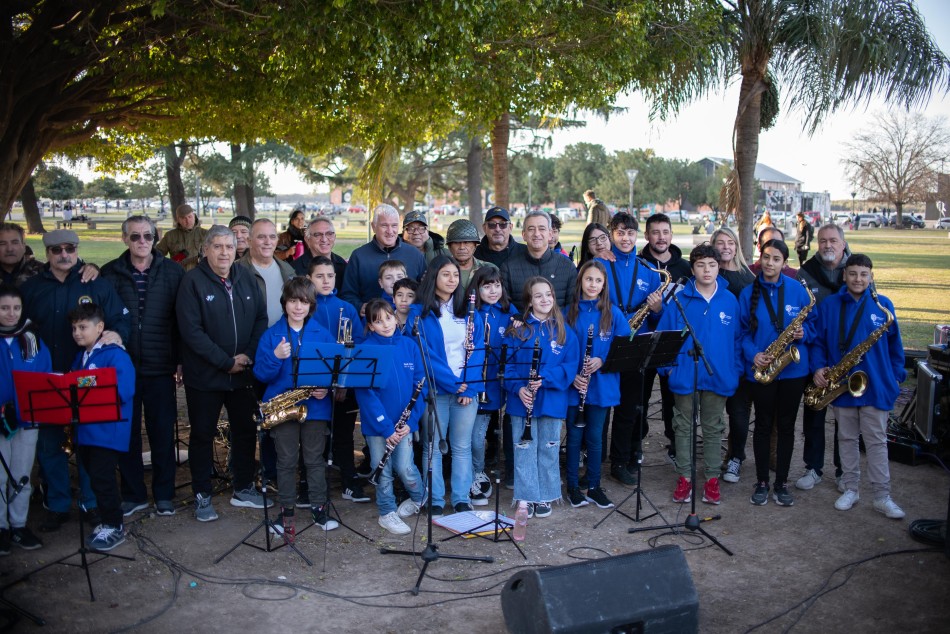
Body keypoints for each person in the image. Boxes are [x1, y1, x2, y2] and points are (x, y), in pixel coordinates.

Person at [21, 229, 130, 532]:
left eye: (70, 248)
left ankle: (91, 502)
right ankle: (57, 504)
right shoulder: (32, 288)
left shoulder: (94, 281)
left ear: (77, 249)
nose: (64, 254)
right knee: (50, 446)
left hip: (88, 377)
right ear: (48, 253)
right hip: (48, 378)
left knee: (88, 444)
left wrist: (115, 335)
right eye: (57, 250)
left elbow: (120, 318)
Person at [176, 225, 268, 521]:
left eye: (229, 246)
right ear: (206, 250)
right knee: (202, 434)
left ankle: (243, 487)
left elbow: (261, 319)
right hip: (206, 376)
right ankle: (203, 495)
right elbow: (191, 331)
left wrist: (249, 356)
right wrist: (225, 361)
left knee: (244, 431)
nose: (225, 252)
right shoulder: (192, 282)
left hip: (243, 374)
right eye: (217, 246)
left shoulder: (246, 277)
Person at [810, 254, 906, 519]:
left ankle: (882, 496)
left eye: (864, 274)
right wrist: (818, 367)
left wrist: (896, 377)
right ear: (844, 275)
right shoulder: (829, 305)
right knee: (847, 439)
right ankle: (851, 488)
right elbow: (817, 342)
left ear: (871, 277)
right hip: (843, 385)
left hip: (876, 385)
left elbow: (896, 347)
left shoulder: (883, 305)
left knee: (876, 442)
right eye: (853, 273)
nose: (858, 279)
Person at [101, 216, 184, 518]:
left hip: (161, 366)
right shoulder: (109, 274)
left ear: (155, 238)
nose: (141, 242)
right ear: (124, 239)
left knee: (162, 434)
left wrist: (180, 360)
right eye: (135, 236)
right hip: (123, 368)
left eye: (147, 236)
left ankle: (164, 495)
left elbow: (181, 321)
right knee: (128, 434)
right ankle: (133, 494)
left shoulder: (173, 272)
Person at [253, 277, 339, 540]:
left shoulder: (322, 334)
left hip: (315, 408)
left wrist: (325, 387)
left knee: (314, 460)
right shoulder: (272, 335)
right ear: (285, 303)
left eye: (303, 302)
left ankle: (318, 508)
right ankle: (286, 510)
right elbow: (260, 374)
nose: (298, 307)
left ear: (311, 305)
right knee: (286, 461)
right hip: (283, 408)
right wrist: (275, 357)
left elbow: (333, 370)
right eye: (293, 301)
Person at [657, 245, 742, 505]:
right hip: (685, 374)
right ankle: (685, 477)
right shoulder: (680, 301)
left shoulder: (729, 300)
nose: (707, 270)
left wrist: (734, 369)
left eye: (712, 265)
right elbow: (665, 338)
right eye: (701, 265)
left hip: (718, 375)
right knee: (683, 426)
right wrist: (668, 368)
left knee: (714, 427)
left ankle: (712, 479)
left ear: (719, 267)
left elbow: (737, 340)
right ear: (692, 269)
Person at [740, 239, 816, 507]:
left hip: (793, 371)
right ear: (760, 259)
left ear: (785, 263)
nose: (770, 263)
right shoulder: (748, 292)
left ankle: (781, 482)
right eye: (766, 257)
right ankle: (761, 481)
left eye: (776, 259)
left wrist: (804, 333)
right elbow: (741, 334)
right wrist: (754, 355)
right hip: (763, 369)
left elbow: (815, 328)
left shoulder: (799, 291)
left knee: (785, 427)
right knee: (761, 427)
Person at [408, 255, 484, 515]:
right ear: (433, 278)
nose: (452, 280)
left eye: (455, 275)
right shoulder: (420, 313)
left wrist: (469, 386)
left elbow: (479, 350)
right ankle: (436, 499)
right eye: (445, 275)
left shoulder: (469, 310)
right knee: (433, 447)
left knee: (462, 446)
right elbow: (424, 353)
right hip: (437, 390)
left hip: (466, 391)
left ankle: (462, 497)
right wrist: (452, 383)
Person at [504, 276, 579, 518]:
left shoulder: (565, 331)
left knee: (548, 447)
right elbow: (507, 366)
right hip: (521, 401)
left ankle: (546, 494)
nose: (544, 299)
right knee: (524, 448)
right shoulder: (517, 329)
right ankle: (527, 495)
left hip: (552, 400)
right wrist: (518, 388)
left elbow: (570, 367)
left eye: (548, 294)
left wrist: (545, 377)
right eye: (538, 295)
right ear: (529, 301)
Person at [596, 212, 662, 486]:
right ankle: (595, 458)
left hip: (636, 346)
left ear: (637, 236)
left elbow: (658, 317)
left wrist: (657, 309)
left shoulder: (648, 269)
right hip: (605, 342)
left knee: (630, 407)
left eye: (630, 233)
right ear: (612, 235)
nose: (625, 238)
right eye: (620, 233)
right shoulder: (598, 265)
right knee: (600, 406)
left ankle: (620, 461)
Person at [355, 299, 428, 535]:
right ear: (370, 326)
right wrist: (386, 428)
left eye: (388, 318)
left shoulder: (409, 346)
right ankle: (387, 512)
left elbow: (421, 386)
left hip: (405, 425)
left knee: (405, 467)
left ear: (396, 318)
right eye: (377, 321)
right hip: (379, 428)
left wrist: (410, 422)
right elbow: (366, 395)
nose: (385, 324)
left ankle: (420, 498)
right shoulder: (366, 350)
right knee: (382, 469)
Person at [67, 303, 136, 551]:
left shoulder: (115, 355)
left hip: (107, 432)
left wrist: (89, 386)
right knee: (95, 478)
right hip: (86, 432)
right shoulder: (81, 357)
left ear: (100, 327)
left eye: (83, 327)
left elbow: (125, 390)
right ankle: (108, 520)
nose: (77, 332)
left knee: (104, 478)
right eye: (74, 328)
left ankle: (114, 524)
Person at [564, 261, 630, 510]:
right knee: (574, 437)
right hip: (575, 385)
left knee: (595, 437)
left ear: (604, 285)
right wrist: (572, 375)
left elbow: (623, 348)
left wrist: (602, 360)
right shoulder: (568, 312)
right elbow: (558, 350)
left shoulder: (613, 313)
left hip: (602, 385)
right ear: (580, 281)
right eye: (588, 279)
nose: (593, 285)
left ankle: (593, 485)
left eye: (598, 281)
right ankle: (572, 486)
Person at [307, 256, 369, 504]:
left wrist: (343, 381)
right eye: (319, 276)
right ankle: (309, 483)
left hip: (343, 384)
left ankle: (348, 480)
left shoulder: (347, 308)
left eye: (330, 276)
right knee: (313, 436)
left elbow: (358, 345)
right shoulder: (305, 306)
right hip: (313, 385)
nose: (325, 281)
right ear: (310, 279)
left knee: (344, 434)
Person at [795, 223, 850, 492]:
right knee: (814, 414)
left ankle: (843, 471)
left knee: (845, 419)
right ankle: (813, 468)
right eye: (823, 241)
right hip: (815, 355)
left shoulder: (855, 272)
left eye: (833, 241)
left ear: (843, 244)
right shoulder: (806, 273)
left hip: (847, 359)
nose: (827, 245)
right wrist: (817, 365)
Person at [0, 285, 52, 552]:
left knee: (21, 473)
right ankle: (1, 527)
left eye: (16, 308)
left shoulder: (31, 339)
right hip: (1, 419)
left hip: (27, 418)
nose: (11, 314)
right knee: (0, 474)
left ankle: (18, 524)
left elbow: (43, 376)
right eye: (5, 308)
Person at [638, 213, 691, 465]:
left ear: (671, 234)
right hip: (644, 340)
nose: (661, 237)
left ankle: (674, 441)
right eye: (655, 232)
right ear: (647, 235)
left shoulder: (686, 267)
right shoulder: (638, 264)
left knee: (673, 396)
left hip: (673, 343)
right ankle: (635, 442)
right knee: (640, 395)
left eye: (665, 232)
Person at [464, 267, 518, 506]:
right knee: (473, 438)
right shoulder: (469, 312)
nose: (493, 290)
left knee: (485, 434)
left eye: (497, 285)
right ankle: (476, 472)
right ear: (477, 288)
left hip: (497, 385)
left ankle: (483, 471)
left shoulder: (508, 312)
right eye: (487, 286)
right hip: (473, 383)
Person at [712, 226, 756, 484]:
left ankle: (736, 457)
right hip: (713, 358)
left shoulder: (747, 279)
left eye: (730, 242)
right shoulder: (707, 275)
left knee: (738, 413)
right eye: (720, 242)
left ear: (737, 247)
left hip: (738, 357)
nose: (726, 247)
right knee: (713, 413)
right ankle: (712, 458)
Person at [341, 204, 426, 315]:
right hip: (372, 323)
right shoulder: (359, 256)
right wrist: (360, 306)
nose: (390, 231)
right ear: (373, 226)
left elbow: (425, 291)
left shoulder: (414, 254)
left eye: (394, 225)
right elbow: (347, 294)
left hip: (408, 323)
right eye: (384, 226)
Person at [500, 211, 577, 312]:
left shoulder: (567, 266)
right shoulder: (508, 268)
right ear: (524, 235)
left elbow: (572, 306)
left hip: (558, 326)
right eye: (531, 229)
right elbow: (505, 306)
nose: (536, 234)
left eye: (542, 229)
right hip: (522, 326)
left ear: (550, 234)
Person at [238, 218, 296, 327]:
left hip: (282, 339)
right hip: (250, 341)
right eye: (261, 237)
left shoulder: (289, 271)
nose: (268, 242)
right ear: (249, 241)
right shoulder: (234, 272)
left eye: (272, 237)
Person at [293, 217, 347, 290]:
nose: (324, 239)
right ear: (307, 239)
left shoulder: (343, 266)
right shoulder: (294, 269)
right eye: (318, 235)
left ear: (334, 237)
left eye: (329, 234)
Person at [155, 204, 208, 271]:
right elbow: (157, 254)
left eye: (190, 217)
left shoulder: (205, 234)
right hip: (177, 276)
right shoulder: (170, 236)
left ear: (194, 216)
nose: (187, 221)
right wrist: (168, 264)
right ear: (178, 220)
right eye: (183, 218)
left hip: (199, 275)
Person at [446, 219, 495, 290]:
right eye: (456, 243)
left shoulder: (490, 269)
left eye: (467, 242)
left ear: (475, 246)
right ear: (449, 247)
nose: (462, 247)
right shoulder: (440, 271)